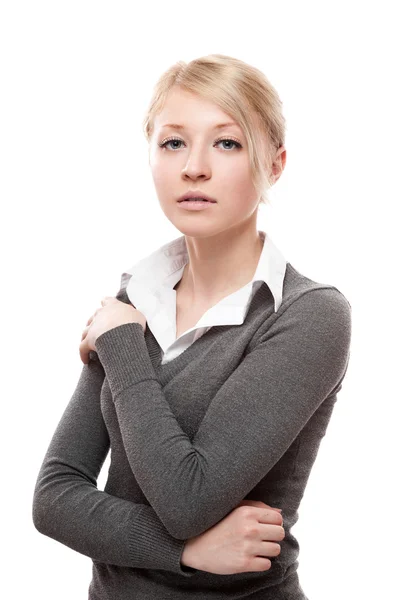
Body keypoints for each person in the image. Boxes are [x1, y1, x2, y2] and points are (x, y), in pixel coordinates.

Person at [32, 54, 352, 599]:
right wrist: (182, 552)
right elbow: (54, 498)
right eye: (173, 142)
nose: (193, 168)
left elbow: (188, 500)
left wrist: (121, 345)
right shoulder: (136, 300)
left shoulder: (308, 315)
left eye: (226, 143)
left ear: (273, 164)